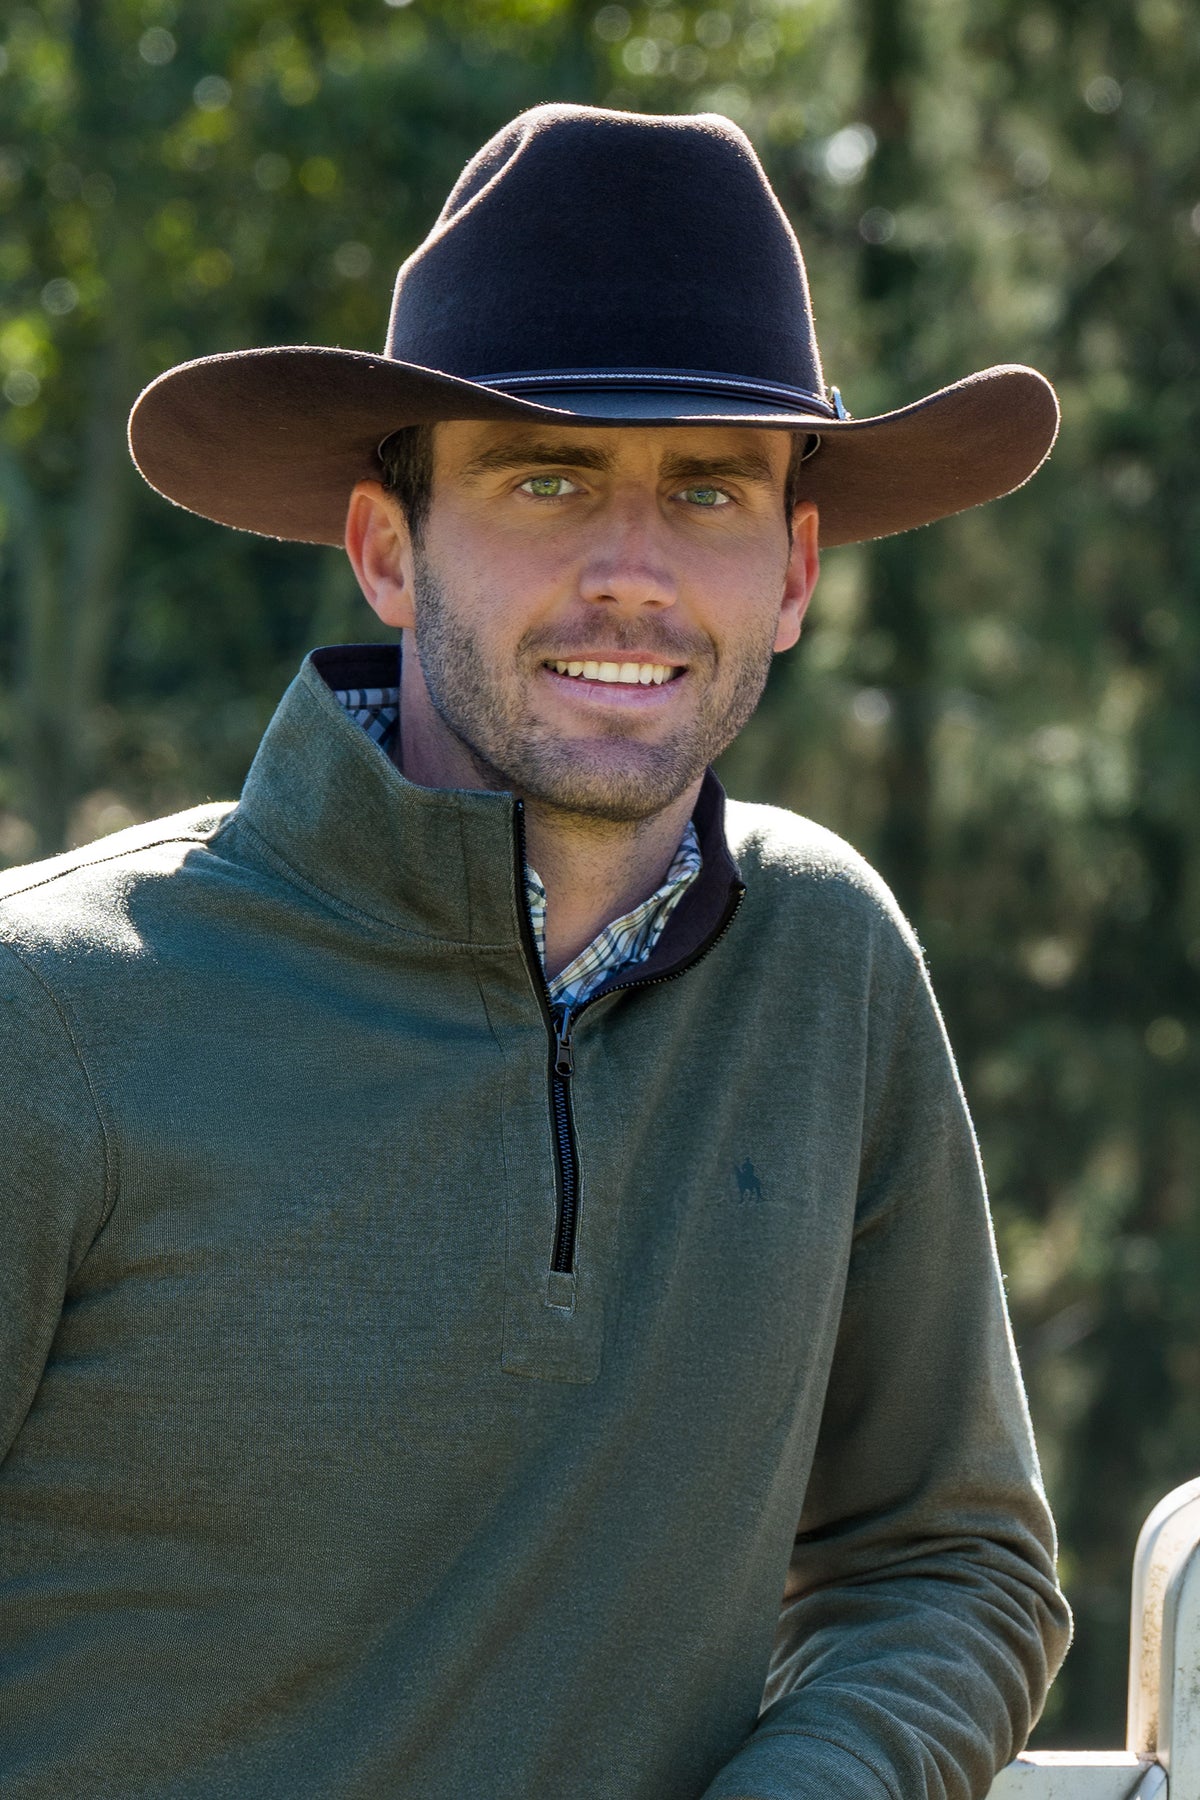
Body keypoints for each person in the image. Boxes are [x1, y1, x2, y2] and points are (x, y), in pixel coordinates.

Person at [1, 103, 1070, 1799]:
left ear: (794, 572)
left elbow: (949, 1567)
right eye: (547, 477)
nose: (632, 574)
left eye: (708, 491)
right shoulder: (46, 1013)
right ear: (385, 547)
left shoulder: (828, 968)